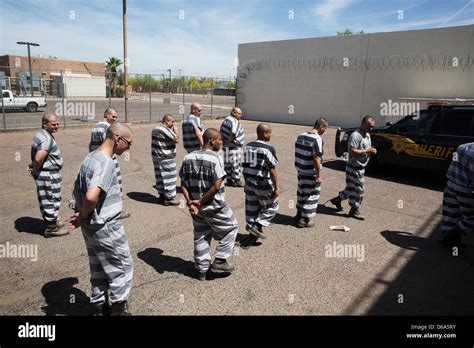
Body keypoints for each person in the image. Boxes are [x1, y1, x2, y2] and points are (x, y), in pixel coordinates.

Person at [69, 123, 134, 316]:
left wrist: (82, 215)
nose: (129, 148)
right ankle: (118, 309)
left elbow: (74, 189)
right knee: (122, 267)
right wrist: (85, 214)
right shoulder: (106, 162)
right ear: (118, 139)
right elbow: (91, 196)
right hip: (106, 226)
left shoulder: (90, 157)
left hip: (90, 228)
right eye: (129, 143)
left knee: (98, 268)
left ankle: (100, 307)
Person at [179, 128, 238, 281]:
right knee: (231, 227)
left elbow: (183, 183)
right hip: (214, 205)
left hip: (197, 208)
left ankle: (201, 270)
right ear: (211, 141)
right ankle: (220, 260)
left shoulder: (188, 158)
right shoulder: (215, 158)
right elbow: (217, 185)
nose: (221, 142)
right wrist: (200, 201)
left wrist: (191, 202)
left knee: (201, 235)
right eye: (219, 139)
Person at [28, 114, 69, 238]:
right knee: (50, 199)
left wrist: (34, 167)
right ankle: (51, 229)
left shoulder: (42, 134)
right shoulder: (46, 138)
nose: (56, 126)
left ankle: (53, 221)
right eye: (53, 124)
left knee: (51, 198)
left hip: (47, 172)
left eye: (57, 124)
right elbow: (39, 157)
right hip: (47, 174)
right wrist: (34, 169)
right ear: (44, 124)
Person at [329, 115, 377, 220]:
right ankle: (354, 210)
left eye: (372, 126)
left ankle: (337, 199)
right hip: (354, 167)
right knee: (360, 190)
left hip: (361, 167)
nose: (371, 129)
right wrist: (366, 151)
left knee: (351, 188)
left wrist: (371, 150)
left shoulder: (367, 134)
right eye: (369, 126)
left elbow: (365, 148)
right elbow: (352, 151)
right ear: (363, 124)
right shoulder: (356, 135)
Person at [241, 123, 280, 247]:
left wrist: (246, 183)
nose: (271, 135)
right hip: (263, 183)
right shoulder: (268, 149)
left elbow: (245, 167)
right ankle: (258, 225)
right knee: (272, 206)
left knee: (252, 208)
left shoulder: (247, 147)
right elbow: (272, 170)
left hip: (250, 182)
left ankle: (252, 236)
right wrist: (276, 187)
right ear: (264, 133)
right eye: (270, 132)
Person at [88, 107, 130, 219]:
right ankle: (117, 211)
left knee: (101, 185)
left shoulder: (95, 127)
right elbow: (109, 144)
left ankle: (101, 208)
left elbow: (91, 144)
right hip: (108, 159)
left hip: (97, 158)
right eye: (113, 116)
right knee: (115, 185)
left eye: (116, 117)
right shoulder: (108, 128)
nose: (115, 119)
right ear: (106, 115)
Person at [294, 117, 329, 228]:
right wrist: (319, 175)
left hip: (300, 170)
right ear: (321, 126)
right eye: (325, 129)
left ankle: (299, 214)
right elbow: (317, 158)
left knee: (301, 192)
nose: (324, 131)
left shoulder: (300, 135)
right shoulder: (317, 139)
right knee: (312, 195)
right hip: (310, 172)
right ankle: (305, 219)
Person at [440, 142, 474, 247]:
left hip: (451, 183)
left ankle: (450, 239)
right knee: (470, 219)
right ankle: (449, 238)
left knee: (451, 213)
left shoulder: (463, 146)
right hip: (465, 188)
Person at [151, 114, 180, 205]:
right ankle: (169, 198)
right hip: (166, 157)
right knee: (169, 177)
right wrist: (176, 132)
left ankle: (162, 195)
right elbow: (175, 140)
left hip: (156, 156)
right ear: (167, 121)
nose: (173, 124)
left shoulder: (155, 129)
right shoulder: (164, 130)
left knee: (159, 177)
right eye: (172, 122)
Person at [220, 107, 245, 187]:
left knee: (227, 163)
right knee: (235, 163)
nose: (240, 115)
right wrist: (229, 141)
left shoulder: (225, 120)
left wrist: (225, 142)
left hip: (226, 146)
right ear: (234, 113)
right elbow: (233, 133)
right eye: (239, 113)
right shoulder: (234, 121)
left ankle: (229, 180)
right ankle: (237, 180)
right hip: (234, 146)